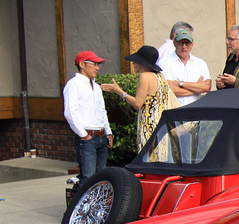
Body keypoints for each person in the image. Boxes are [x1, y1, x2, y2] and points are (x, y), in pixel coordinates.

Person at [100, 45, 171, 150]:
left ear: (142, 63)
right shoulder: (161, 76)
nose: (133, 64)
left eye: (135, 61)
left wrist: (119, 91)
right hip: (161, 125)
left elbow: (138, 104)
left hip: (149, 125)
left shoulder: (145, 76)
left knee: (147, 159)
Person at [63, 50, 113, 180]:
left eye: (98, 65)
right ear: (82, 64)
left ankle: (98, 201)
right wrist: (83, 135)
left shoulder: (96, 86)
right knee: (88, 177)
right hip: (87, 136)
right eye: (94, 64)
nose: (97, 68)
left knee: (101, 177)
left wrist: (108, 132)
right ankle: (86, 201)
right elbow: (70, 112)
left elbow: (102, 111)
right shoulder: (74, 84)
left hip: (101, 136)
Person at [161, 28, 211, 105]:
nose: (184, 47)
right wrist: (196, 88)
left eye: (187, 43)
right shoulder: (165, 62)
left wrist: (181, 84)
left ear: (192, 45)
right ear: (174, 43)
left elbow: (206, 87)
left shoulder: (200, 63)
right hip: (173, 110)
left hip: (194, 111)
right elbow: (167, 89)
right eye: (181, 43)